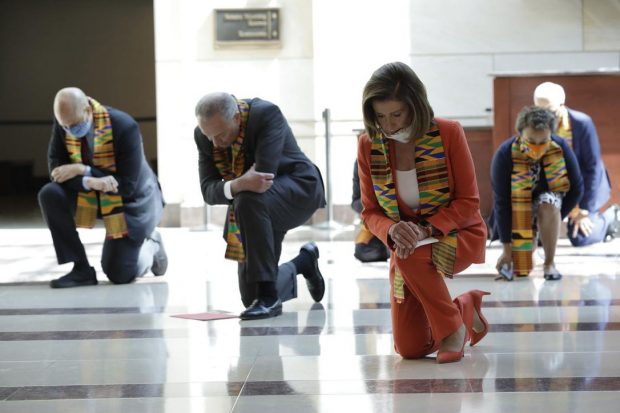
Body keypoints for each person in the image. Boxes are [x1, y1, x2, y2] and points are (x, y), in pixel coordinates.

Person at [357, 62, 489, 364]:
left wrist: (425, 229)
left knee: (410, 254)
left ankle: (453, 329)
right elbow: (370, 211)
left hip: (456, 233)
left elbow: (468, 202)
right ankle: (464, 310)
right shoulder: (368, 145)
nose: (388, 125)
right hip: (404, 243)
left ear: (415, 105)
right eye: (380, 116)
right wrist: (391, 229)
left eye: (396, 114)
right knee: (410, 349)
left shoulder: (448, 132)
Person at [194, 92, 326, 320]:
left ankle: (270, 297)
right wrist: (237, 184)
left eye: (221, 134)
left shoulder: (265, 114)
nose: (215, 143)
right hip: (253, 208)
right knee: (250, 297)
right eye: (209, 136)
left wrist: (236, 186)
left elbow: (263, 177)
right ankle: (303, 263)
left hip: (297, 189)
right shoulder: (204, 136)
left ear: (236, 118)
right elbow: (208, 190)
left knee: (247, 199)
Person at [38, 87, 167, 288]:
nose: (71, 130)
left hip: (131, 200)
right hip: (94, 191)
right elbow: (57, 171)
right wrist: (90, 181)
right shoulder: (64, 123)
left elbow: (127, 185)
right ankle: (81, 269)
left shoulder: (124, 126)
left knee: (119, 274)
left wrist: (83, 170)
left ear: (88, 110)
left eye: (75, 125)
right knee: (50, 194)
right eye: (65, 126)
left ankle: (151, 245)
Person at [491, 106, 583, 281]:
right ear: (520, 134)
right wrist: (507, 251)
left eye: (543, 142)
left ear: (551, 136)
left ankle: (549, 263)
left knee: (548, 205)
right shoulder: (505, 154)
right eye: (531, 140)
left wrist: (552, 220)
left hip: (548, 205)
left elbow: (577, 188)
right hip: (516, 210)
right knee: (520, 267)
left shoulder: (561, 148)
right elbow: (501, 202)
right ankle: (527, 249)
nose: (537, 147)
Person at [534, 82, 618, 245]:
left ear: (562, 103)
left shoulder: (581, 123)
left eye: (549, 110)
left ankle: (611, 217)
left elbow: (592, 167)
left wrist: (584, 210)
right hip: (557, 185)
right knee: (537, 239)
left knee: (581, 237)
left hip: (586, 185)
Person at [351, 142, 389, 263]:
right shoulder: (359, 162)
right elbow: (355, 201)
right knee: (364, 252)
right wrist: (371, 205)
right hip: (375, 219)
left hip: (401, 215)